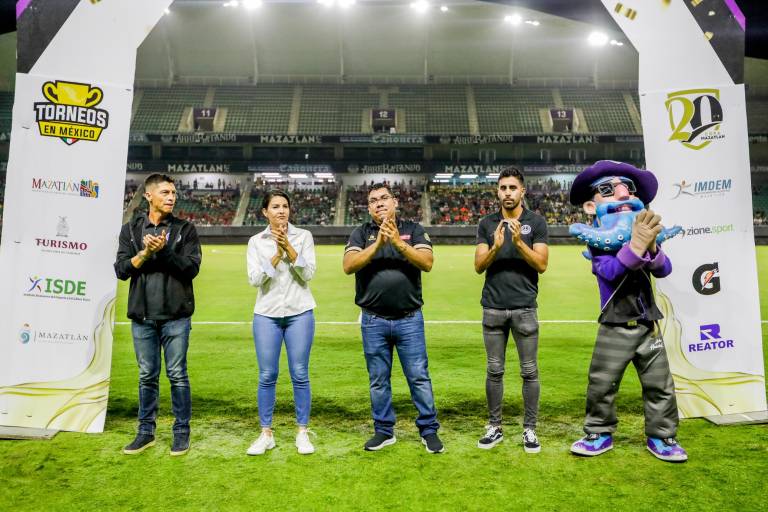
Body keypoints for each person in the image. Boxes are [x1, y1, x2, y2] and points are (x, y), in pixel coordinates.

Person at [567, 160, 687, 462]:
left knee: (660, 384)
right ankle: (599, 433)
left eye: (628, 188)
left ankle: (662, 436)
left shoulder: (648, 236)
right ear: (591, 207)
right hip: (615, 324)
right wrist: (634, 247)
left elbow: (664, 269)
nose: (622, 193)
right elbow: (610, 271)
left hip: (648, 324)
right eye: (608, 189)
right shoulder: (598, 246)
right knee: (602, 383)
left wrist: (652, 249)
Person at [343, 183, 444, 454]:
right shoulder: (361, 233)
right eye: (373, 200)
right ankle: (384, 431)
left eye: (384, 198)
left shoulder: (413, 229)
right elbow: (348, 266)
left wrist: (397, 242)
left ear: (395, 202)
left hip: (409, 319)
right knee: (378, 379)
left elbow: (427, 262)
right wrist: (378, 244)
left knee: (419, 377)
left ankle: (429, 430)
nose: (379, 203)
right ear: (368, 207)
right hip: (373, 320)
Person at [114, 173, 202, 456]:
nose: (171, 197)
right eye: (165, 192)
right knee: (146, 376)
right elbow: (122, 270)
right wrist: (145, 253)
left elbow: (191, 269)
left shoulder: (185, 229)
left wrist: (163, 252)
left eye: (173, 193)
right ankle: (145, 432)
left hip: (176, 316)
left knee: (178, 375)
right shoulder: (130, 230)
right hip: (143, 317)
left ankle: (181, 433)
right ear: (148, 195)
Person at [473, 167, 549, 452]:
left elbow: (541, 264)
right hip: (493, 308)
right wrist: (496, 247)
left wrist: (518, 243)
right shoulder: (487, 223)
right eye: (503, 188)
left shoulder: (536, 223)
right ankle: (495, 427)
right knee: (494, 370)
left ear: (522, 191)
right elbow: (479, 266)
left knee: (529, 371)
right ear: (497, 191)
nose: (507, 192)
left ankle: (529, 430)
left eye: (512, 188)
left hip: (524, 308)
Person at [245, 191, 317, 456]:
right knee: (267, 376)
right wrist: (276, 255)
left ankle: (302, 432)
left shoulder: (304, 236)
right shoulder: (256, 242)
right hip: (266, 314)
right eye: (275, 206)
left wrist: (290, 249)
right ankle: (266, 434)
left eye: (285, 206)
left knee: (299, 373)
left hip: (300, 312)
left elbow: (309, 273)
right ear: (265, 212)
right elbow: (255, 280)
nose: (281, 211)